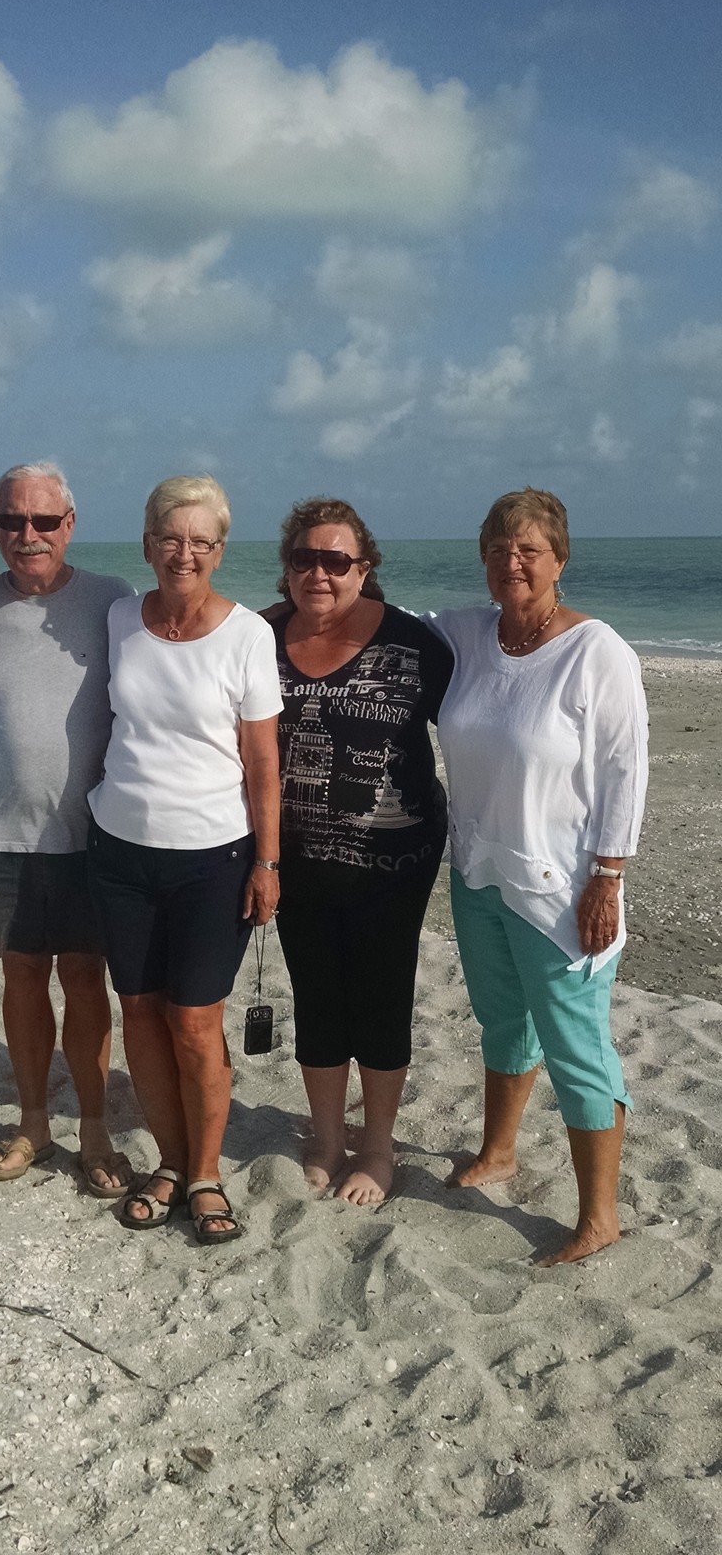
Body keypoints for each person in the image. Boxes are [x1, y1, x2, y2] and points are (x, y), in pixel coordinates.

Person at [430, 487, 648, 1265]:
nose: (511, 562)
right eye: (498, 549)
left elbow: (625, 770)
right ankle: (499, 1151)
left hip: (561, 886)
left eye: (529, 550)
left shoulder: (597, 652)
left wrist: (608, 876)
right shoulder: (465, 633)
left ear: (560, 560)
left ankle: (599, 1217)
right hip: (477, 870)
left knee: (575, 1045)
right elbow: (374, 622)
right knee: (502, 1021)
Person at [87, 475, 282, 1242]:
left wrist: (268, 864)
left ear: (220, 550)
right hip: (119, 850)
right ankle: (169, 1162)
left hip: (213, 858)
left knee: (195, 1021)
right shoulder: (118, 619)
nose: (184, 553)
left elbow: (262, 764)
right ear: (147, 545)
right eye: (171, 538)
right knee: (138, 1010)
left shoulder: (247, 635)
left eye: (201, 541)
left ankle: (205, 1174)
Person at [0, 462, 135, 1194]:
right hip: (1, 836)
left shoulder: (113, 601)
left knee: (86, 978)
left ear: (70, 525)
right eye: (11, 520)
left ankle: (94, 1126)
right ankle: (32, 1122)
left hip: (94, 835)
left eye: (45, 520)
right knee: (22, 977)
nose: (29, 534)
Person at [264, 499, 454, 1204]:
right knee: (314, 992)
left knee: (381, 993)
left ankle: (376, 1146)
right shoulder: (257, 636)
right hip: (295, 859)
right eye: (304, 558)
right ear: (288, 567)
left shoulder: (416, 645)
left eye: (336, 560)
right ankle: (325, 1136)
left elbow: (478, 728)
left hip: (394, 865)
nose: (319, 573)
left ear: (363, 568)